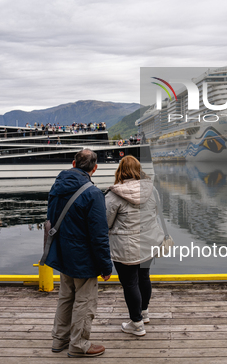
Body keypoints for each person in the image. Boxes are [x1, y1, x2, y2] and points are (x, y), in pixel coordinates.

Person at [45, 149, 113, 358]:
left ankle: (60, 339)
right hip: (83, 257)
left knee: (65, 297)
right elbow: (99, 235)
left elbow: (50, 218)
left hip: (62, 253)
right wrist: (105, 265)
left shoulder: (57, 186)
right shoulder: (93, 193)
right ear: (95, 168)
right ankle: (79, 344)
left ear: (73, 164)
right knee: (85, 301)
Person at [105, 155, 164, 336]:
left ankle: (136, 324)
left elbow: (105, 222)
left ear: (120, 170)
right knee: (144, 277)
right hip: (149, 243)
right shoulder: (152, 190)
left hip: (126, 247)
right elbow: (156, 212)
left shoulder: (114, 195)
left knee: (130, 283)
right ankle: (143, 312)